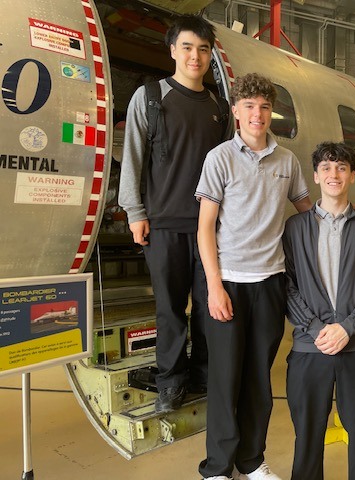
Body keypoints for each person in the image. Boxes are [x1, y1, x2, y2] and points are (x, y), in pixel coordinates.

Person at [196, 74, 355, 480]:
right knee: (226, 378)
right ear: (236, 112)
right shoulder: (220, 158)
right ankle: (216, 468)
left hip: (269, 281)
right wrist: (213, 286)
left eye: (264, 107)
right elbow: (204, 226)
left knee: (259, 380)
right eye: (249, 107)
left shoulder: (286, 161)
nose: (257, 114)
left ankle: (251, 461)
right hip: (228, 279)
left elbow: (311, 211)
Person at [118, 15, 229, 413]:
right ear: (172, 50)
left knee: (207, 305)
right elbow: (132, 157)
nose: (195, 56)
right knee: (169, 309)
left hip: (209, 228)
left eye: (203, 49)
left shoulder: (219, 106)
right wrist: (134, 212)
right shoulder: (150, 97)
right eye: (187, 47)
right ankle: (171, 382)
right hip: (163, 223)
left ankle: (202, 374)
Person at [282, 142, 355, 480]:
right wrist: (316, 329)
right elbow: (286, 285)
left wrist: (349, 326)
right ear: (315, 176)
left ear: (352, 176)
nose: (334, 174)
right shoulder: (295, 228)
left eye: (342, 168)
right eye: (327, 169)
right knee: (308, 439)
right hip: (307, 349)